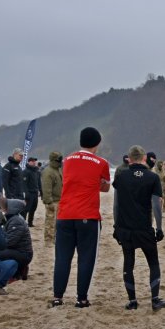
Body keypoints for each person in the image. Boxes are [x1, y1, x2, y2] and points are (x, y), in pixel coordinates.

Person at [50, 127, 111, 308]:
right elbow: (106, 187)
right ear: (97, 143)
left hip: (65, 215)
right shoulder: (101, 162)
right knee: (86, 258)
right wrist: (94, 184)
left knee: (62, 257)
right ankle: (81, 298)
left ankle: (57, 297)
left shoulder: (67, 160)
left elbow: (69, 180)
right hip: (88, 215)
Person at [113, 145, 165, 311]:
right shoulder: (152, 177)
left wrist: (116, 226)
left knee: (128, 263)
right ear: (144, 159)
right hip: (144, 228)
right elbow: (156, 205)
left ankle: (132, 301)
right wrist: (159, 227)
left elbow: (116, 205)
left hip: (126, 228)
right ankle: (155, 299)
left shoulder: (121, 176)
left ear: (129, 159)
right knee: (153, 262)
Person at [0, 198, 34, 280]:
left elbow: (10, 242)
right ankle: (18, 271)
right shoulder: (12, 219)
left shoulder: (16, 221)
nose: (2, 210)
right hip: (19, 251)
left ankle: (17, 271)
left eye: (4, 208)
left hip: (23, 254)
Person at [41, 151, 63, 243]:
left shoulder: (57, 169)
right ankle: (49, 239)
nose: (60, 162)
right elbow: (46, 188)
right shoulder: (48, 172)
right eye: (59, 160)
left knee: (57, 221)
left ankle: (54, 237)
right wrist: (49, 202)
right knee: (50, 221)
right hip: (52, 201)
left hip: (58, 200)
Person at [23, 156, 41, 227]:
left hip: (35, 192)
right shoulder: (25, 171)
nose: (34, 162)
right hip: (29, 193)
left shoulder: (37, 172)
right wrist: (26, 193)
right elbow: (24, 183)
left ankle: (30, 223)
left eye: (35, 161)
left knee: (33, 208)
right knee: (26, 209)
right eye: (33, 161)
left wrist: (40, 191)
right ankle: (23, 223)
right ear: (29, 162)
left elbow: (39, 182)